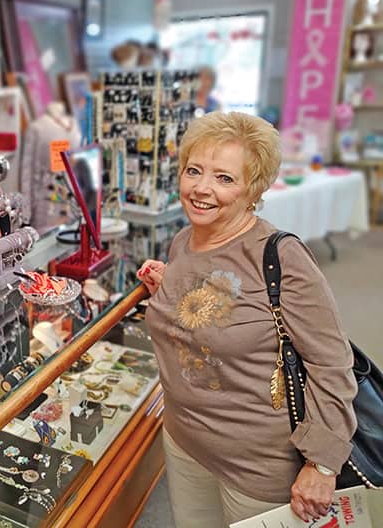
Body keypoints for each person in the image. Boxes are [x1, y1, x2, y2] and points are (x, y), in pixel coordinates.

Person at [136, 112, 356, 527]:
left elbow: (332, 363)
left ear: (253, 190)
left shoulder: (281, 258)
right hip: (185, 441)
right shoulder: (184, 241)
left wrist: (322, 465)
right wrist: (167, 290)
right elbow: (209, 312)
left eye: (224, 178)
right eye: (194, 171)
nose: (202, 189)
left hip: (258, 467)